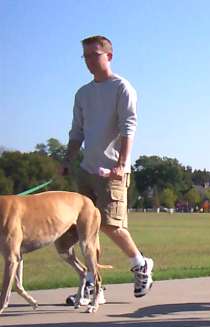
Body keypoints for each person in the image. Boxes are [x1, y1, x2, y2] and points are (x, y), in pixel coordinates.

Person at [62, 35, 154, 304]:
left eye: (95, 55)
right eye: (86, 57)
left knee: (111, 225)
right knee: (86, 231)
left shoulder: (122, 88)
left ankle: (141, 265)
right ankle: (95, 286)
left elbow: (128, 126)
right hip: (87, 170)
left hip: (112, 170)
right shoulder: (83, 93)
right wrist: (68, 160)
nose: (90, 61)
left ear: (109, 56)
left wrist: (122, 164)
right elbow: (77, 131)